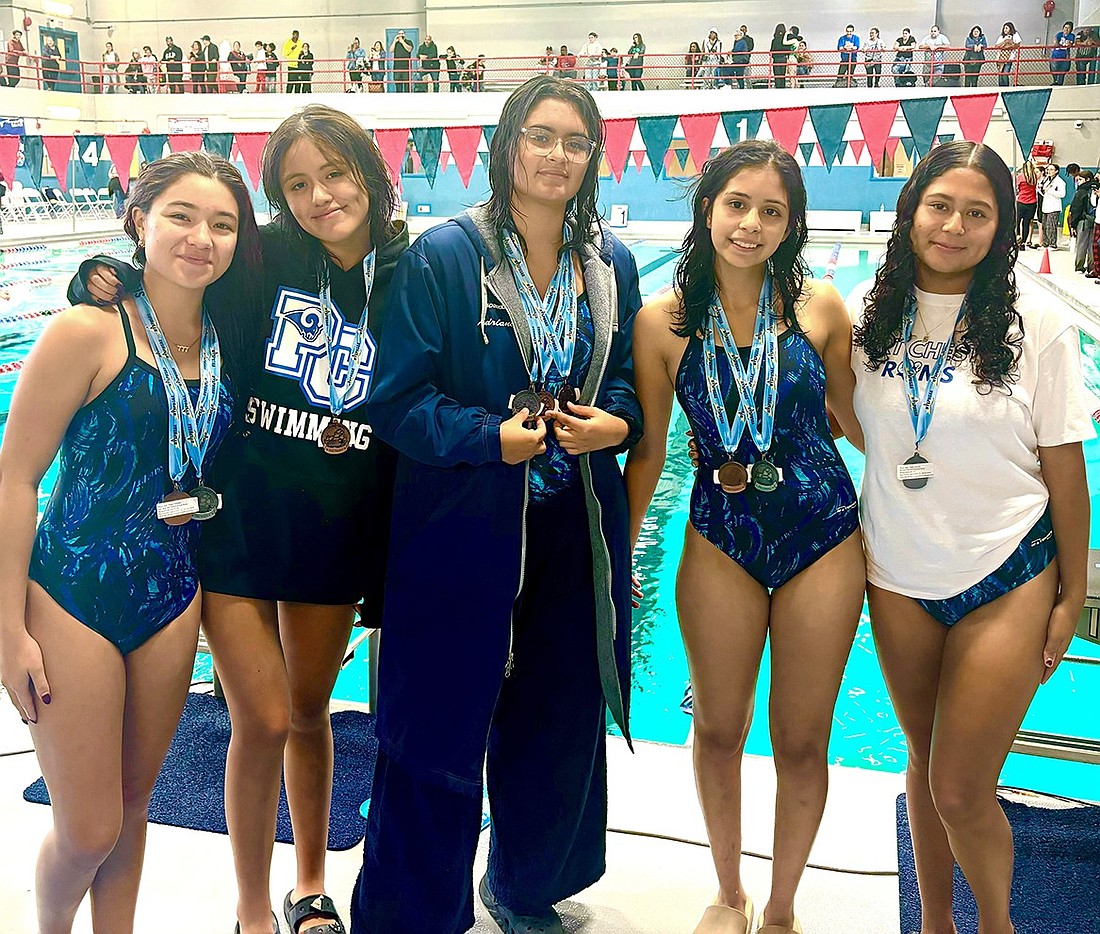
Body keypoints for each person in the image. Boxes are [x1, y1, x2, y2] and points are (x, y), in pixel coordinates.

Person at [69, 105, 408, 934]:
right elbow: (186, 268)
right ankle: (252, 910)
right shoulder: (269, 257)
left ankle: (309, 885)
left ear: (370, 171)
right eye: (297, 184)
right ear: (279, 198)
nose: (321, 195)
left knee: (309, 713)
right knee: (259, 718)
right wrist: (102, 270)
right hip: (240, 524)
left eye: (335, 173)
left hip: (337, 532)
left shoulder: (412, 270)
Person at [352, 73, 641, 934]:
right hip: (465, 525)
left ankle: (523, 886)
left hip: (572, 526)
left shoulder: (610, 265)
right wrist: (488, 439)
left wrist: (614, 424)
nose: (558, 155)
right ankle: (412, 913)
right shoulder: (445, 256)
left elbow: (622, 377)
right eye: (540, 136)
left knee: (560, 714)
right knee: (436, 724)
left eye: (576, 141)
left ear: (594, 158)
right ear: (507, 144)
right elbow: (392, 398)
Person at [0, 151, 259, 934]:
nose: (201, 238)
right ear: (140, 222)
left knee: (134, 805)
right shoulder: (87, 330)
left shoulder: (226, 343)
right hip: (72, 593)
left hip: (172, 597)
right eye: (181, 216)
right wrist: (7, 629)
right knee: (87, 828)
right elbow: (16, 478)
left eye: (221, 224)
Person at [851, 139, 1092, 934]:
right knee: (923, 768)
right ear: (911, 211)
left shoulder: (1041, 322)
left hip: (1008, 571)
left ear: (1002, 225)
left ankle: (996, 924)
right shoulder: (863, 314)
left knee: (960, 786)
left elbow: (1066, 470)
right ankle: (935, 924)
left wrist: (1070, 597)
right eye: (940, 206)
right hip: (896, 575)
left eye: (977, 213)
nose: (954, 226)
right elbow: (839, 419)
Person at [626, 138, 864, 934]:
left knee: (802, 741)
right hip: (719, 535)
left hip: (822, 535)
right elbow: (652, 451)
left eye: (772, 212)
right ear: (706, 209)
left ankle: (784, 909)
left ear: (791, 226)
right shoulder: (661, 323)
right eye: (737, 205)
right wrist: (619, 556)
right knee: (719, 726)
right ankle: (728, 893)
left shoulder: (821, 307)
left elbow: (862, 426)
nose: (751, 225)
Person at [1069, 170, 1097, 274]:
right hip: (1095, 220)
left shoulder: (1081, 192)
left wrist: (1073, 224)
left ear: (1087, 179)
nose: (1079, 182)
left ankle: (1079, 266)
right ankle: (1092, 267)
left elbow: (1076, 209)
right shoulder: (1096, 190)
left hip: (1083, 221)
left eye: (1080, 179)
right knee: (1092, 245)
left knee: (1081, 244)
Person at [1037, 162, 1066, 249]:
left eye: (1051, 169)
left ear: (1056, 171)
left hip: (1054, 207)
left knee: (1051, 226)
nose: (1049, 171)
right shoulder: (1046, 180)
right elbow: (1044, 191)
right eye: (1048, 169)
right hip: (1045, 206)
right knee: (1045, 226)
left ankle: (1053, 244)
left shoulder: (1060, 182)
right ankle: (1046, 243)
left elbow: (1062, 194)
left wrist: (1050, 191)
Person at [1015, 159, 1040, 249]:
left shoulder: (1021, 177)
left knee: (1017, 221)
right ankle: (1023, 243)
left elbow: (1016, 186)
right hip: (1032, 203)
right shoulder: (1034, 177)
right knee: (1026, 224)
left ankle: (1017, 236)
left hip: (1022, 202)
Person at [993, 22, 1021, 87]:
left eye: (1006, 28)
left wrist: (1010, 44)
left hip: (1009, 58)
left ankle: (1006, 88)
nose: (1005, 30)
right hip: (1000, 58)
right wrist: (1005, 42)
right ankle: (1000, 88)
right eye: (1004, 28)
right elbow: (996, 46)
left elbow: (1018, 44)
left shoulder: (1015, 35)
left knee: (1005, 73)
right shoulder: (1001, 37)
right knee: (1000, 74)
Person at [770, 24, 795, 88]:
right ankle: (782, 88)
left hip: (776, 59)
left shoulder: (774, 40)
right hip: (783, 58)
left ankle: (778, 88)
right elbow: (788, 50)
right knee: (782, 75)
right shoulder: (785, 40)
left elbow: (771, 51)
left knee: (777, 76)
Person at [1050, 21, 1075, 85]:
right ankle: (1055, 81)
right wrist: (1056, 42)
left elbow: (1070, 43)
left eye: (1068, 28)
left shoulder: (1071, 36)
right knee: (1054, 69)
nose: (1066, 29)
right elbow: (1055, 40)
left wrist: (1069, 44)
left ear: (1071, 30)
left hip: (1064, 55)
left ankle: (1059, 83)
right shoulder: (1059, 34)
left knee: (1062, 70)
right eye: (1065, 27)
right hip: (1056, 54)